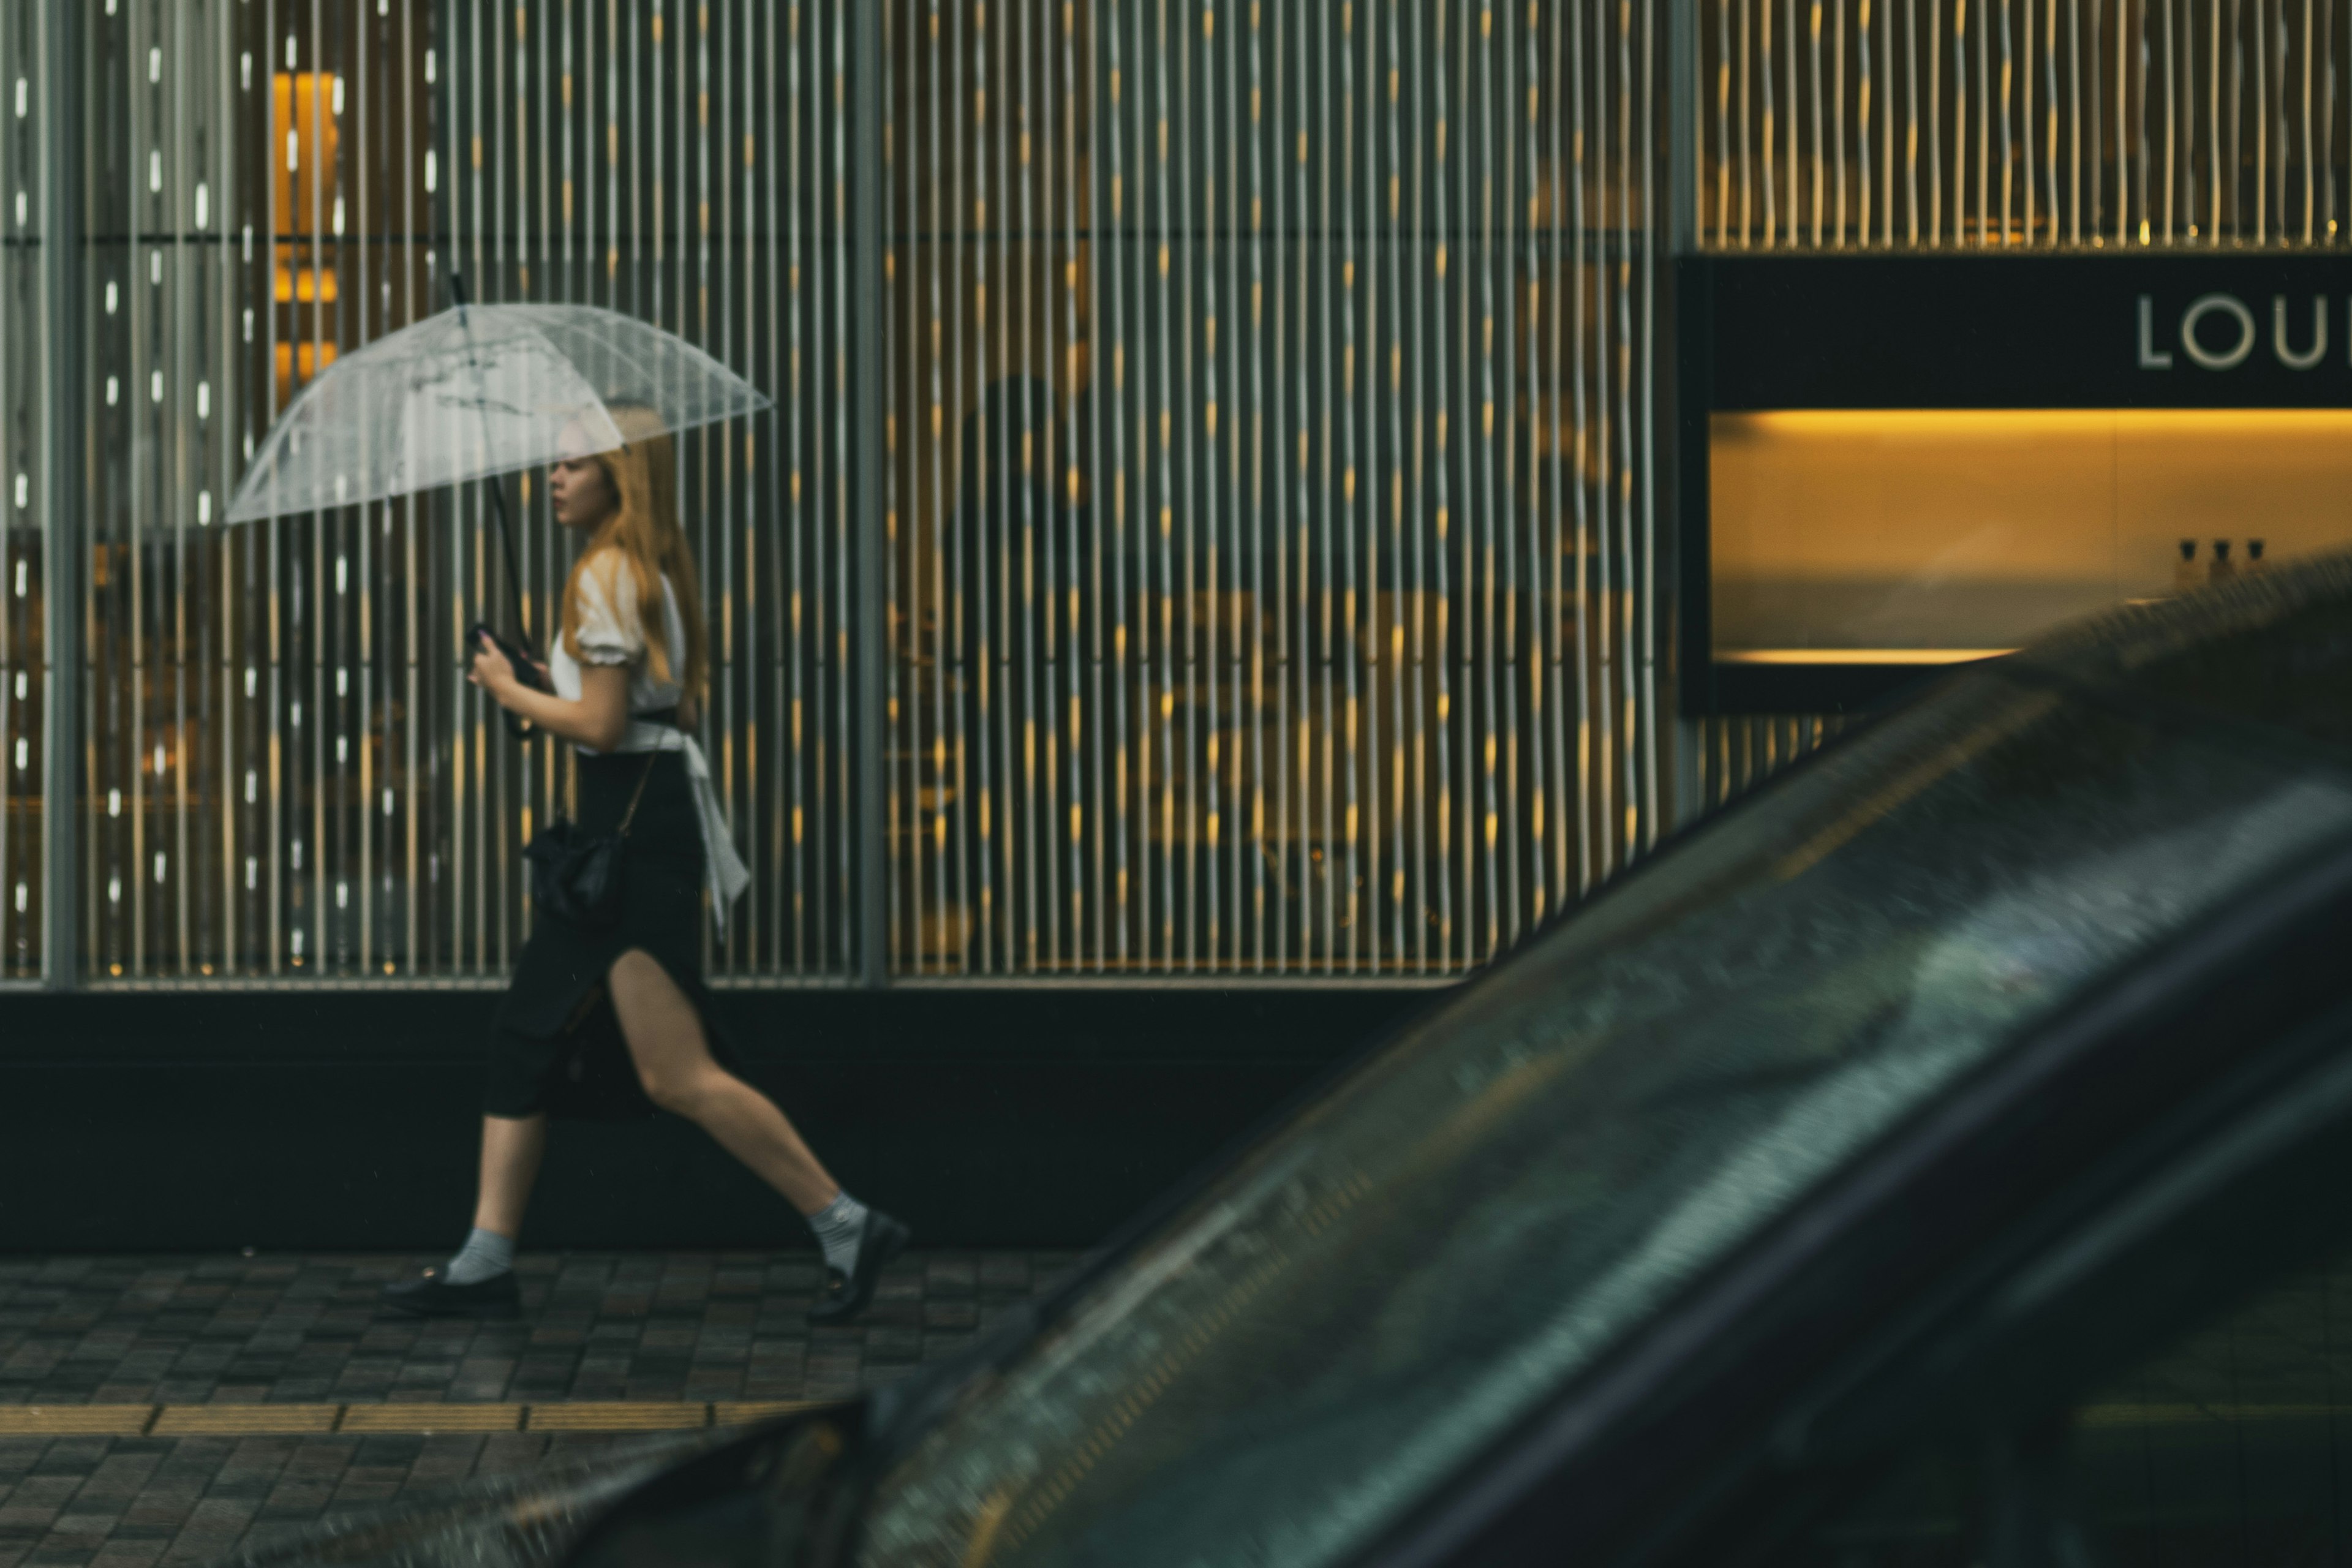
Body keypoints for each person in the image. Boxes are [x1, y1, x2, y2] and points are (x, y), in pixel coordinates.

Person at [382, 405, 907, 1323]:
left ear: (620, 477)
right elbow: (660, 717)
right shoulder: (644, 567)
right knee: (538, 1039)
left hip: (630, 838)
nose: (553, 477)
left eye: (573, 463)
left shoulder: (607, 572)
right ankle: (485, 1258)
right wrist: (544, 687)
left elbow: (603, 728)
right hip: (634, 825)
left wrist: (512, 691)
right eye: (553, 463)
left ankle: (845, 1222)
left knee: (675, 1074)